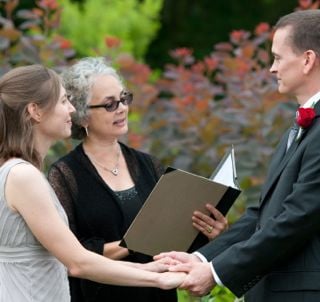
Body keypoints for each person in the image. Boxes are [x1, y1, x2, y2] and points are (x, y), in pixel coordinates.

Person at [155, 9, 320, 302]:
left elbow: (297, 218)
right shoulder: (298, 128)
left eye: (278, 58)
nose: (272, 68)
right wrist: (203, 259)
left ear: (307, 60)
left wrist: (217, 272)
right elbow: (263, 214)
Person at [0, 64, 187, 302]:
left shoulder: (22, 173)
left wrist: (149, 269)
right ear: (35, 111)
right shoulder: (23, 176)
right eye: (63, 101)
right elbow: (79, 262)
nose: (71, 109)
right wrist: (157, 278)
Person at [47, 57, 228, 302]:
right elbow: (68, 256)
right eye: (110, 105)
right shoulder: (64, 176)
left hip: (157, 296)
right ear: (82, 116)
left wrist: (211, 234)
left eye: (124, 99)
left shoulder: (148, 165)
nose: (122, 108)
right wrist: (131, 243)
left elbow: (175, 241)